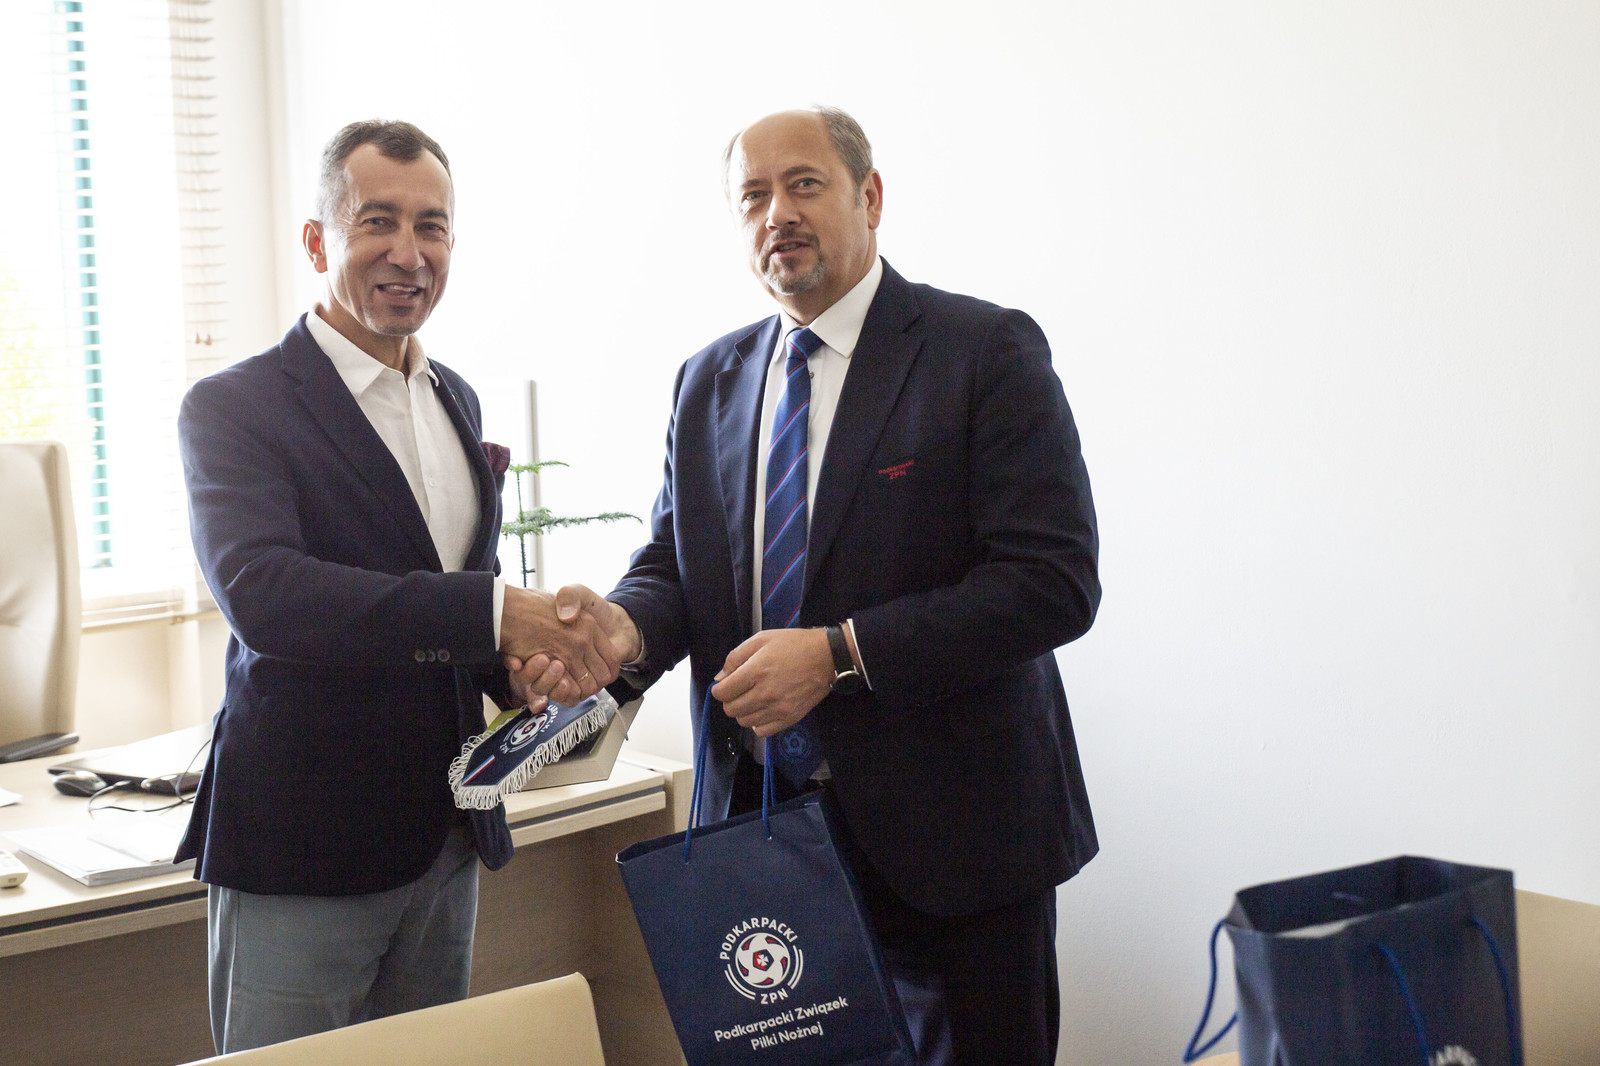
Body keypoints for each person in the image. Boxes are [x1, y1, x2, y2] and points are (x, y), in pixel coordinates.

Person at [530, 106, 1100, 1064]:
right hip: (763, 837)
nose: (777, 214)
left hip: (958, 843)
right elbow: (678, 565)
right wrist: (622, 630)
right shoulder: (708, 379)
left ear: (869, 197)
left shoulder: (981, 350)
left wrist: (838, 656)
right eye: (753, 196)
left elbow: (1053, 582)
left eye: (804, 184)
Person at [177, 119, 618, 1053]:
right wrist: (496, 613)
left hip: (445, 836)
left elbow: (459, 594)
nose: (409, 253)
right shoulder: (234, 407)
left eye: (433, 226)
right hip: (306, 845)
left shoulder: (457, 396)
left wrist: (522, 665)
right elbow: (267, 595)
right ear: (317, 241)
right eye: (377, 221)